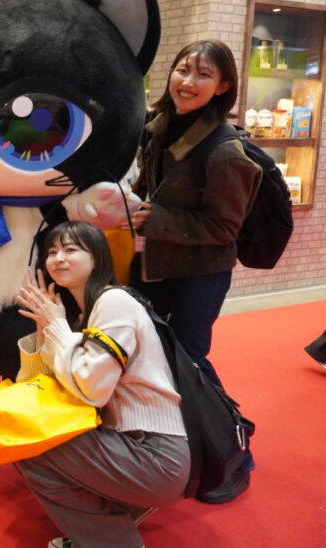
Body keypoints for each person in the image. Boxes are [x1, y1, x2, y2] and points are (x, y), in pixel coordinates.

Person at [130, 39, 261, 504]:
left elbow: (225, 227)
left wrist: (155, 219)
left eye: (203, 75)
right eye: (183, 70)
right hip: (153, 263)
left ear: (223, 86)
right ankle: (180, 444)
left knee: (191, 363)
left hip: (200, 272)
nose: (188, 81)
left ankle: (235, 453)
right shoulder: (157, 126)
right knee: (156, 358)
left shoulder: (226, 151)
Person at [14, 221, 190, 548]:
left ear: (97, 256)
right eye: (52, 251)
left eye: (71, 249)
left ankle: (112, 539)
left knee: (27, 443)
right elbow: (38, 388)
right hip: (129, 444)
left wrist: (55, 326)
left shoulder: (114, 303)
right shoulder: (79, 315)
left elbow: (92, 389)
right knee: (23, 435)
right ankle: (107, 528)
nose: (58, 259)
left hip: (154, 453)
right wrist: (45, 328)